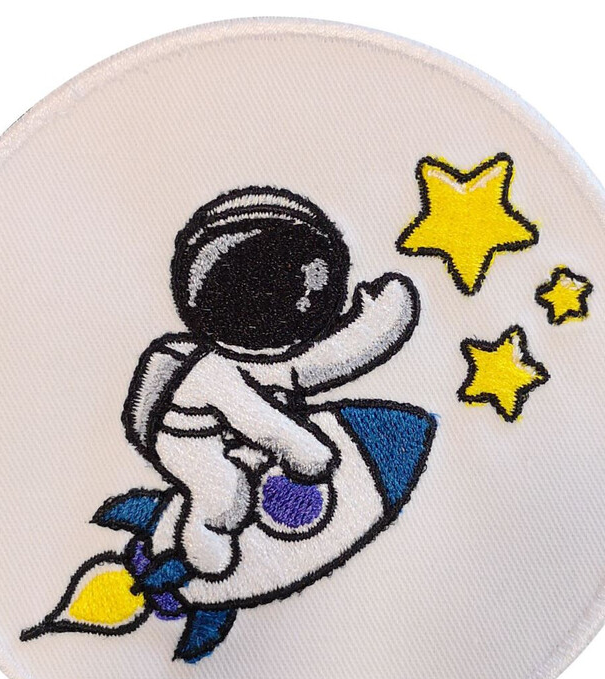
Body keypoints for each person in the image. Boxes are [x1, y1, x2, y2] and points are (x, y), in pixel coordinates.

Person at [123, 187, 419, 576]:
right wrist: (307, 452)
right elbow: (262, 421)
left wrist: (380, 322)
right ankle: (202, 535)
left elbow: (313, 365)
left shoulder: (254, 359)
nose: (306, 300)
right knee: (223, 492)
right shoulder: (212, 371)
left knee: (286, 382)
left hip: (236, 421)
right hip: (184, 436)